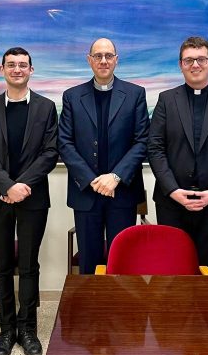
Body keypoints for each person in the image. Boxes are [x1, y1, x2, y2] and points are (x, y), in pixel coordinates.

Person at [0, 47, 58, 355]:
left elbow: (50, 152)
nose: (17, 69)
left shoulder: (46, 107)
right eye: (11, 65)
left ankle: (28, 329)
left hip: (32, 198)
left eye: (23, 65)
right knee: (1, 265)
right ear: (2, 69)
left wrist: (22, 186)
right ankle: (6, 329)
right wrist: (8, 186)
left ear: (31, 70)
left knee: (28, 265)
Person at [147, 36, 208, 273]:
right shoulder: (166, 100)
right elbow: (155, 148)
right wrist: (173, 190)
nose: (195, 65)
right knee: (173, 272)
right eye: (189, 60)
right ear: (181, 65)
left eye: (201, 59)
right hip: (172, 204)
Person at [58, 38, 149, 274]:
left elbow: (142, 141)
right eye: (98, 56)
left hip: (123, 192)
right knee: (89, 265)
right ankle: (90, 301)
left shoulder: (135, 94)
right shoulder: (72, 96)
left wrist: (116, 176)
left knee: (122, 263)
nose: (103, 61)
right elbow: (64, 143)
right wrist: (91, 180)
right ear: (89, 60)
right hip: (86, 193)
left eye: (109, 56)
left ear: (116, 60)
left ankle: (121, 301)